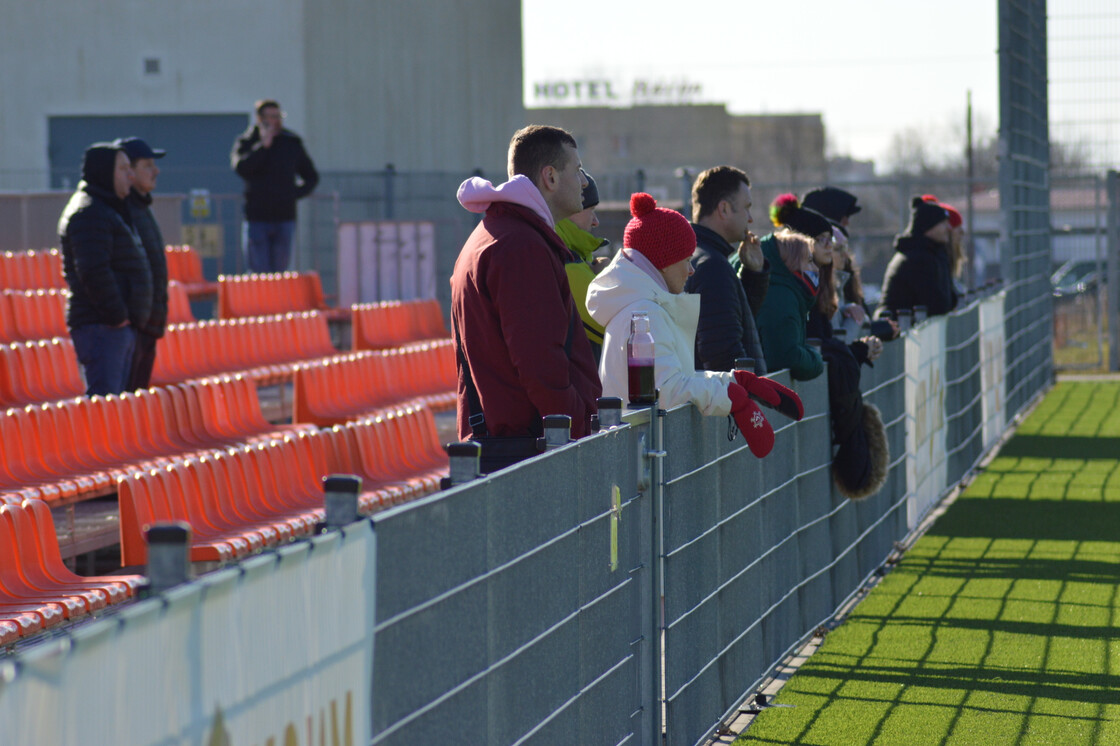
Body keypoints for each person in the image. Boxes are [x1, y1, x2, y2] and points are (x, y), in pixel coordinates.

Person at [586, 193, 801, 457]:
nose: (691, 270)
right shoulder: (644, 314)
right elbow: (667, 391)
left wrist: (733, 380)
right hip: (640, 464)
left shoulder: (642, 306)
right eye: (686, 259)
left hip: (640, 457)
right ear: (663, 262)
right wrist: (731, 397)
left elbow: (673, 380)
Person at [450, 125, 602, 471]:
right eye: (577, 170)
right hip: (530, 452)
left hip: (511, 444)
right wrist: (578, 429)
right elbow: (541, 364)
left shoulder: (499, 234)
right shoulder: (520, 246)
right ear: (549, 176)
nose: (583, 182)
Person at [59, 142, 153, 396]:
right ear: (104, 172)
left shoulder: (106, 208)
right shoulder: (89, 213)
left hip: (113, 327)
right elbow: (93, 271)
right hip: (103, 327)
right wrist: (117, 316)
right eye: (123, 169)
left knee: (116, 411)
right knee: (104, 410)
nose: (130, 175)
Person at [685, 166, 770, 373]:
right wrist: (750, 400)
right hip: (726, 403)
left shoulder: (695, 256)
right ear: (723, 209)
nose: (750, 218)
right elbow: (724, 358)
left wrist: (753, 274)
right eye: (746, 208)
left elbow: (728, 325)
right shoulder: (712, 266)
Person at [231, 99, 319, 273]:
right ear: (260, 119)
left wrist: (293, 194)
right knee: (259, 271)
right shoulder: (247, 141)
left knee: (279, 271)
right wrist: (263, 147)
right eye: (270, 117)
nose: (275, 121)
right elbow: (241, 168)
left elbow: (311, 176)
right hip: (257, 217)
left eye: (278, 116)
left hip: (284, 216)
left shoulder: (291, 143)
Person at [115, 137, 168, 391]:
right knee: (125, 403)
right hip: (136, 326)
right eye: (147, 165)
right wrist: (137, 318)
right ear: (129, 172)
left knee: (137, 401)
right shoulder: (124, 210)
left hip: (148, 325)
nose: (155, 171)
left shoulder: (141, 207)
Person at [555, 169, 609, 360]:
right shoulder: (567, 264)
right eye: (591, 210)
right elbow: (622, 331)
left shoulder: (571, 258)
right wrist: (609, 282)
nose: (596, 221)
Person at [876, 197, 956, 319]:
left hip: (914, 330)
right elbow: (937, 305)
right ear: (929, 226)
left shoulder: (931, 253)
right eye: (943, 223)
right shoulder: (917, 259)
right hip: (901, 332)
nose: (948, 228)